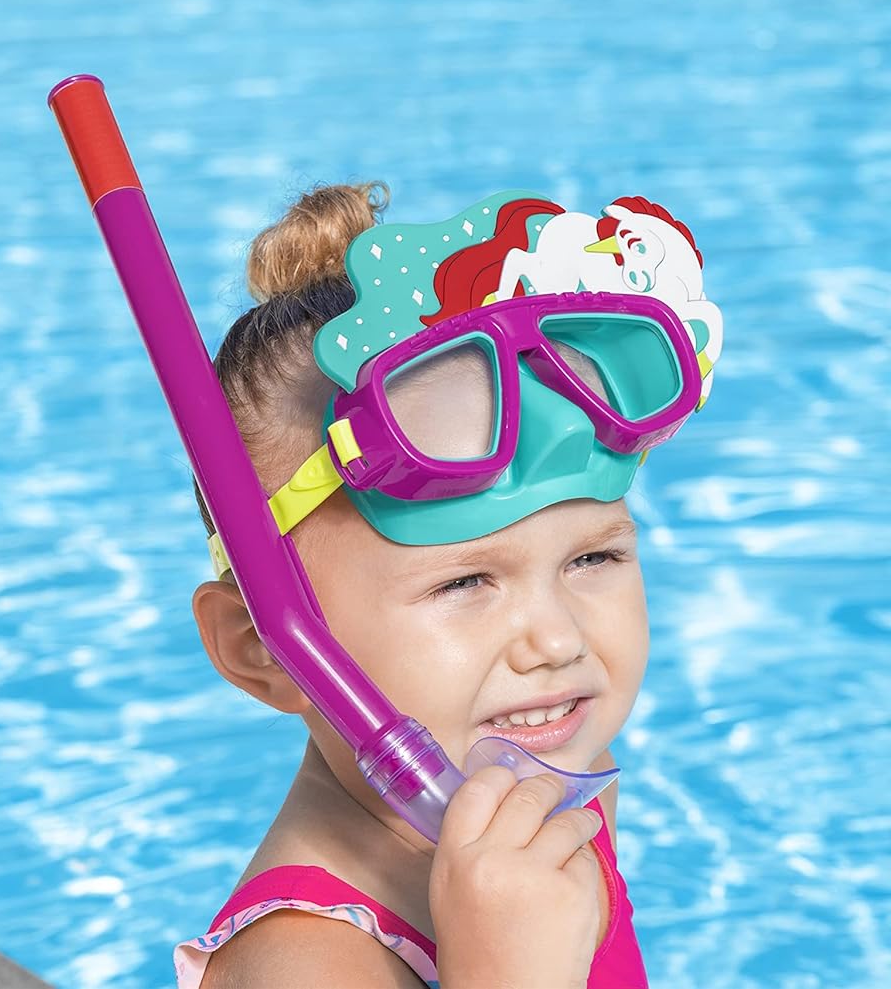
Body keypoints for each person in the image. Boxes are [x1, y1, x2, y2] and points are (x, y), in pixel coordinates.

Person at [170, 182, 723, 989]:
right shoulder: (303, 966)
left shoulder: (554, 785)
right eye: (466, 580)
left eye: (591, 560)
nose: (557, 640)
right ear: (261, 647)